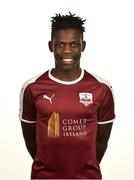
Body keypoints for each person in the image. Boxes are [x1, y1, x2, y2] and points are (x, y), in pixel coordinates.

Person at [19, 12, 115, 179]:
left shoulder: (101, 88)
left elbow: (101, 143)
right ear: (51, 46)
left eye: (74, 44)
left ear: (83, 46)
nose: (67, 51)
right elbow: (31, 142)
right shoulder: (32, 88)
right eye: (60, 45)